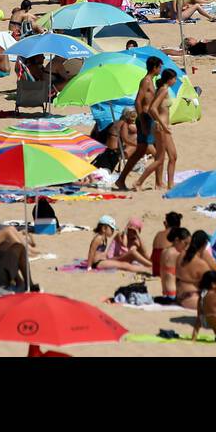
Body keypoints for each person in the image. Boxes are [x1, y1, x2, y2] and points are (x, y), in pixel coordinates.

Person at [114, 56, 161, 191]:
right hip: (145, 119)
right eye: (159, 67)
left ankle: (158, 183)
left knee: (151, 152)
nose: (161, 69)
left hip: (149, 119)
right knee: (153, 153)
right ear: (155, 67)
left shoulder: (151, 81)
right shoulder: (146, 81)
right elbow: (138, 101)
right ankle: (124, 180)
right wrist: (143, 122)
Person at [136, 68, 178, 190]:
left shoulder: (163, 89)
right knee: (160, 159)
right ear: (170, 80)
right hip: (161, 127)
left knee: (172, 156)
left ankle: (170, 185)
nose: (175, 81)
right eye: (174, 78)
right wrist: (163, 125)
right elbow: (152, 108)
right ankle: (138, 182)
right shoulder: (164, 90)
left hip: (161, 127)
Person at [87, 216, 152, 273]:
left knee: (124, 264)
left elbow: (144, 252)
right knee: (124, 265)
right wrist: (89, 267)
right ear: (104, 228)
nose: (113, 231)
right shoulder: (99, 238)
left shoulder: (104, 238)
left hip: (103, 261)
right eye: (112, 229)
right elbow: (91, 252)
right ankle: (149, 268)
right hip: (98, 263)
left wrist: (138, 235)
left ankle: (149, 267)